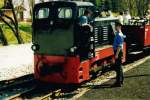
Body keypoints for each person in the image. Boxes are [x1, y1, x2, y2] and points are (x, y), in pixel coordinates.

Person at [112, 22, 125, 87]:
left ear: (119, 27)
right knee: (119, 67)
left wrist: (116, 54)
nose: (115, 27)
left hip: (118, 52)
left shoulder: (119, 35)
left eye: (116, 26)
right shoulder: (119, 34)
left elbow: (119, 46)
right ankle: (121, 81)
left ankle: (118, 82)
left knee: (118, 67)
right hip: (119, 52)